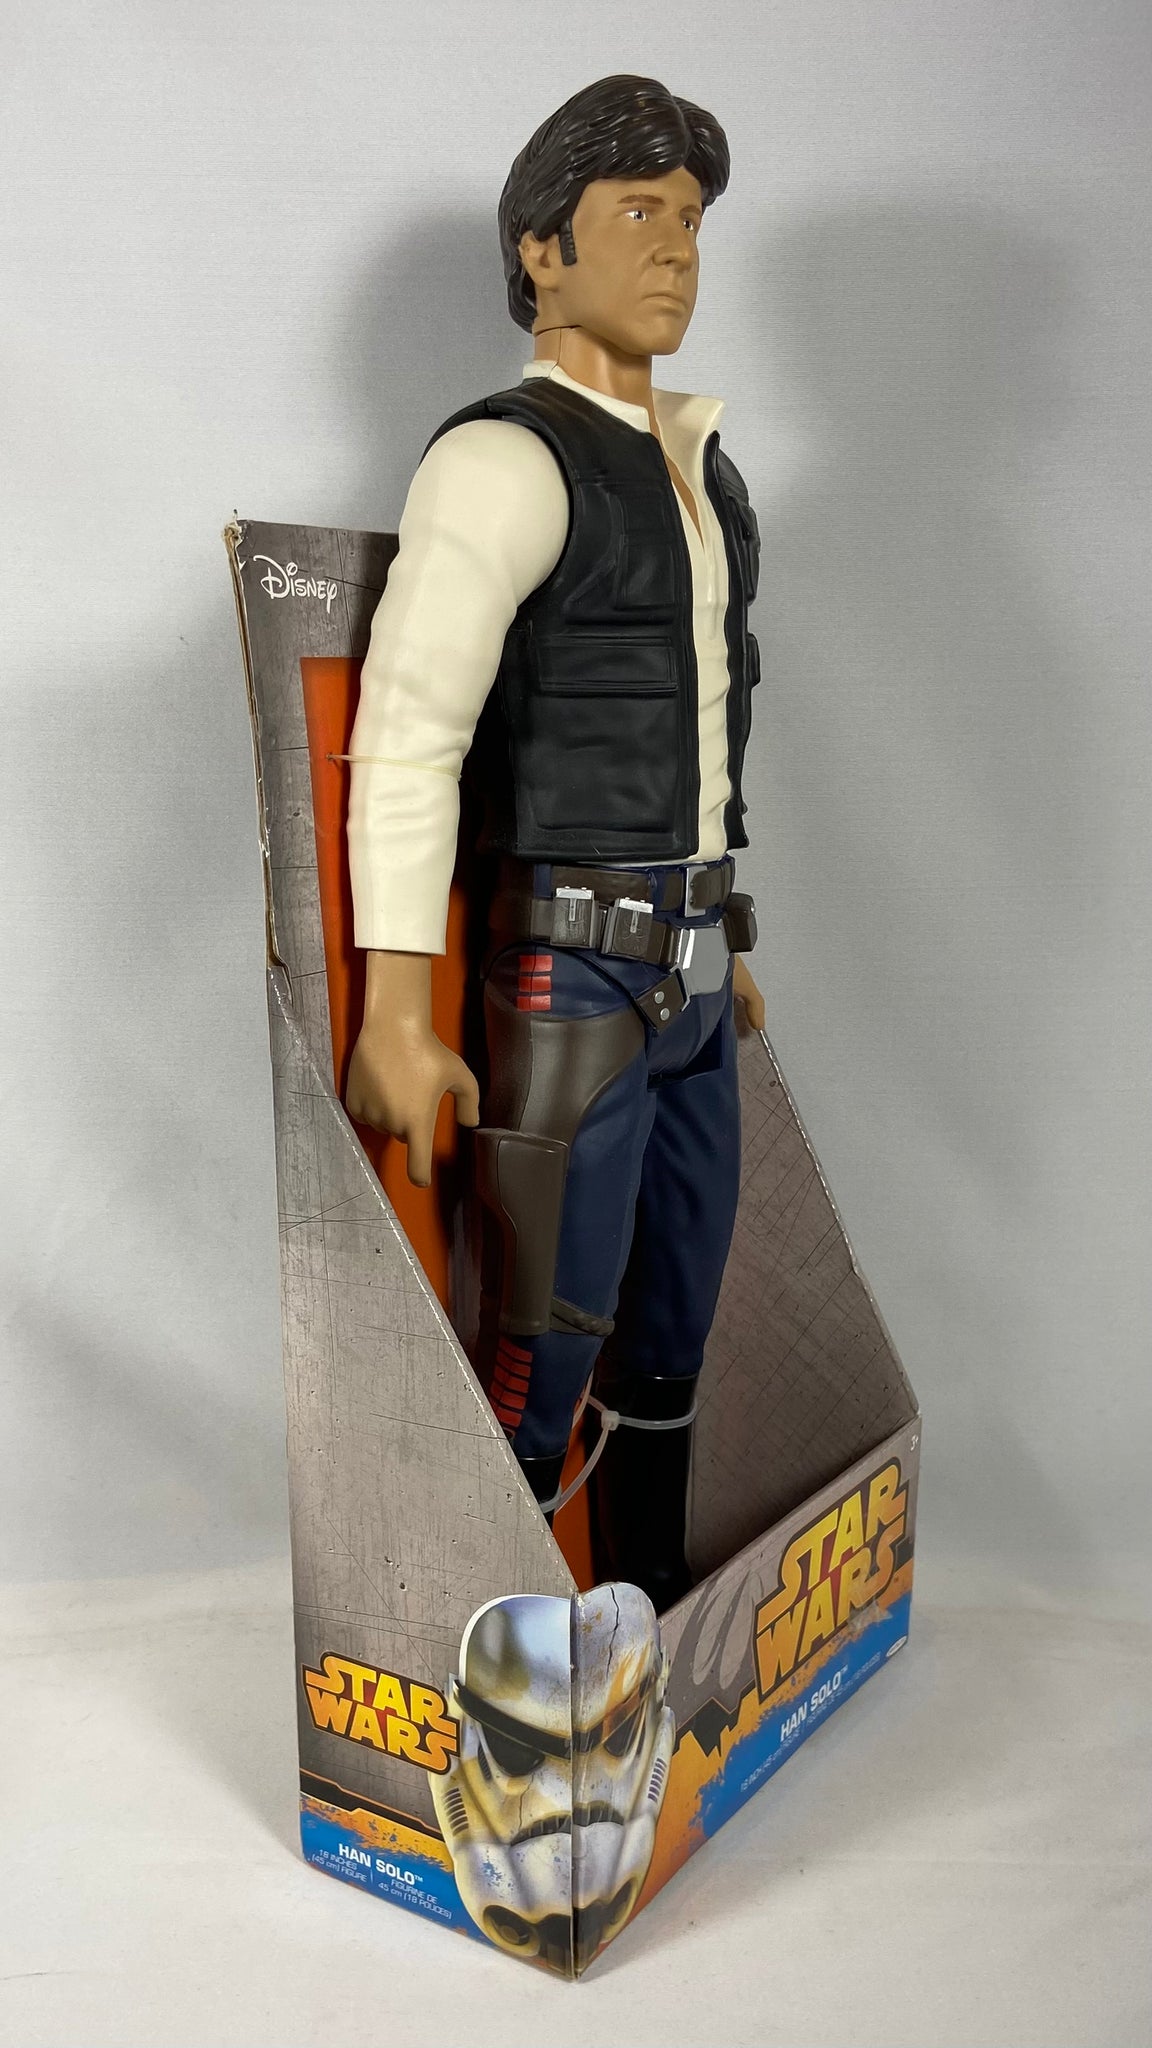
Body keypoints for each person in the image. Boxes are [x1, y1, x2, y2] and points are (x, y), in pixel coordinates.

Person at [344, 75, 765, 1610]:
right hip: (572, 974)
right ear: (542, 249)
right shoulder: (504, 460)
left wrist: (720, 937)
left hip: (693, 967)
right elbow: (409, 733)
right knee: (548, 1328)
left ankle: (642, 1624)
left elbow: (701, 728)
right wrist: (397, 1009)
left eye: (691, 217)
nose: (676, 247)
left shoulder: (702, 471)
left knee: (674, 1324)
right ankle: (504, 1652)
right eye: (637, 211)